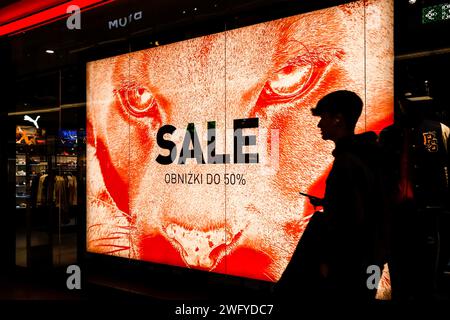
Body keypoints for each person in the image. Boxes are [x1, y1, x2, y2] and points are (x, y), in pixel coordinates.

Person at [86, 0, 394, 283]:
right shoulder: (367, 160)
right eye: (138, 97)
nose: (195, 229)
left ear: (339, 119)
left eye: (290, 75)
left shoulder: (351, 164)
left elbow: (354, 227)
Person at [277, 90, 390, 302]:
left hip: (351, 263)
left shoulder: (346, 162)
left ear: (338, 119)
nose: (320, 125)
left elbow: (349, 221)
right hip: (374, 259)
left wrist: (327, 261)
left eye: (323, 117)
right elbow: (370, 205)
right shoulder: (371, 156)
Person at [379, 95, 450, 301]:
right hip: (399, 207)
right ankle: (408, 290)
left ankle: (428, 289)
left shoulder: (437, 130)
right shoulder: (389, 134)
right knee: (401, 254)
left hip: (427, 204)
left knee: (427, 251)